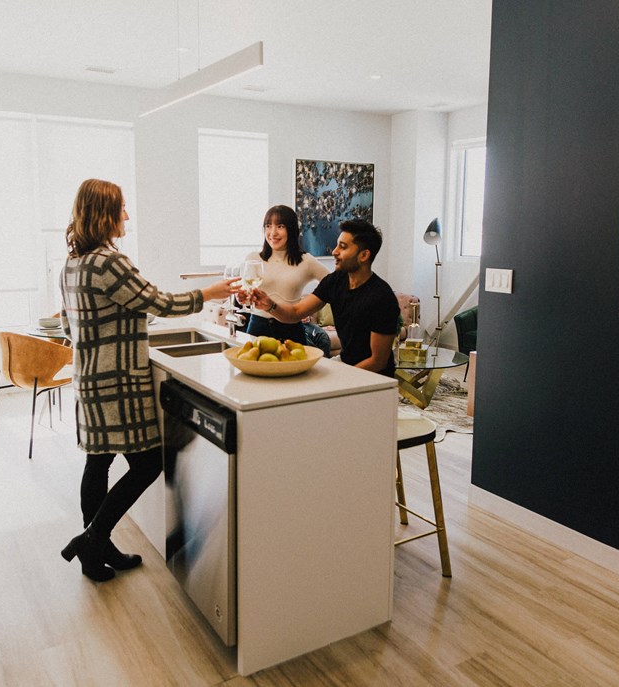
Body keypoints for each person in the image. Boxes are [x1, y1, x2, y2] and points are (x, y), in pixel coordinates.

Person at [59, 178, 239, 582]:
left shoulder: (72, 263)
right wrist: (207, 293)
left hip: (88, 377)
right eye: (121, 208)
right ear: (104, 213)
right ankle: (94, 540)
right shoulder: (109, 261)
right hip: (118, 381)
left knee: (97, 462)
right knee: (146, 464)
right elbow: (158, 301)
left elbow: (71, 326)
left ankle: (95, 550)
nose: (126, 215)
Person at [250, 219, 400, 376]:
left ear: (363, 255)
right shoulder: (336, 280)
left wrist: (339, 379)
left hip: (375, 378)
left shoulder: (382, 298)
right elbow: (295, 313)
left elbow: (378, 361)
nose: (334, 251)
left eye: (343, 247)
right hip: (345, 362)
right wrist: (269, 305)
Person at [239, 204, 331, 354]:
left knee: (296, 375)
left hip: (292, 332)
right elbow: (248, 294)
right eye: (268, 226)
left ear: (292, 229)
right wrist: (244, 297)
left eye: (280, 226)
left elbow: (334, 284)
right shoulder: (253, 259)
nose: (273, 232)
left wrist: (311, 305)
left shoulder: (306, 261)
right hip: (257, 328)